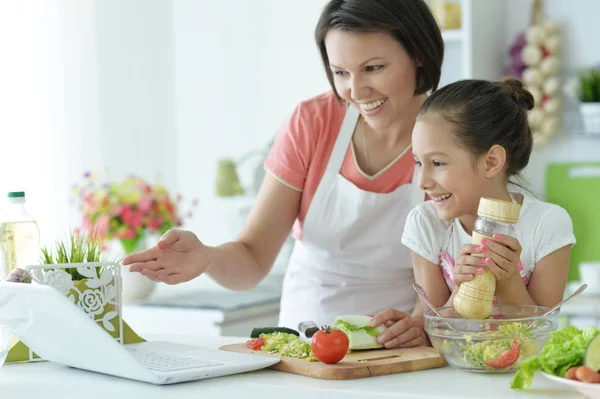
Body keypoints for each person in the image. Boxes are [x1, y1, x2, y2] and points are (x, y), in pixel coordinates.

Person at [122, 0, 444, 348]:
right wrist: (207, 258)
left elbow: (454, 271)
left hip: (399, 344)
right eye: (340, 72)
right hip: (306, 342)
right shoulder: (313, 122)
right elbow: (252, 257)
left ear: (418, 54)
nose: (356, 90)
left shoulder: (451, 135)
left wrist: (421, 322)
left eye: (373, 67)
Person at [394, 78, 576, 326]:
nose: (422, 182)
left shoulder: (546, 224)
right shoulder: (425, 223)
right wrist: (460, 290)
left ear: (491, 162)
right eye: (418, 163)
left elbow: (541, 330)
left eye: (437, 163)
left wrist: (507, 278)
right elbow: (433, 329)